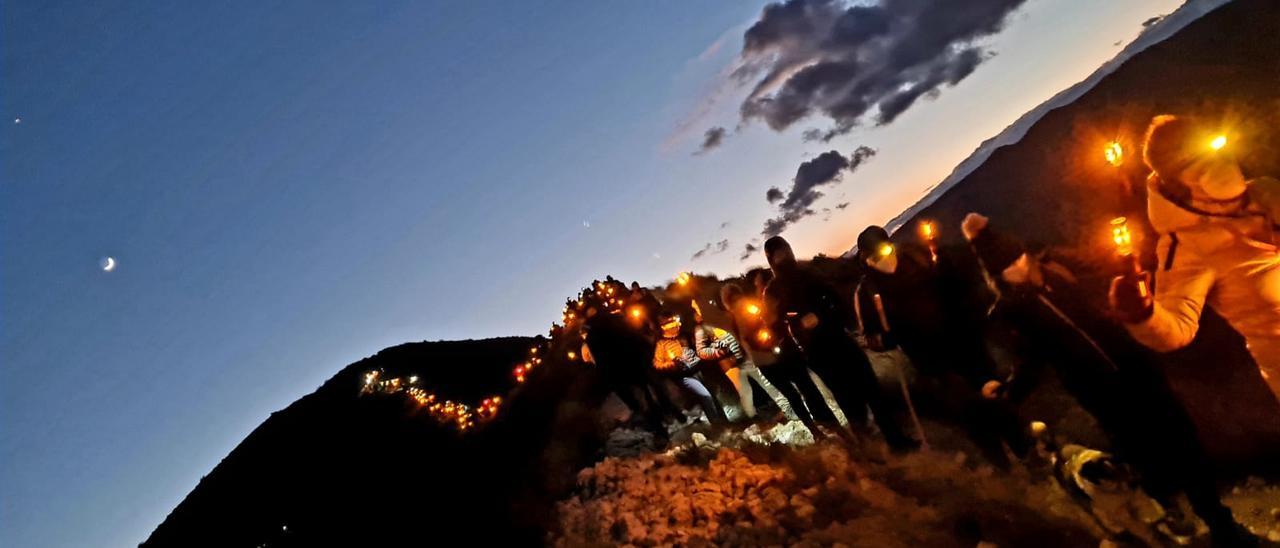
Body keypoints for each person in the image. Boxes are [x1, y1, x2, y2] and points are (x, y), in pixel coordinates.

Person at [965, 212, 1255, 547]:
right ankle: (1168, 510)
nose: (1017, 268)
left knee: (1187, 444)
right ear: (997, 276)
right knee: (1145, 455)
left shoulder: (1057, 273)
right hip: (1102, 394)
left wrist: (1128, 271)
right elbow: (1031, 360)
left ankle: (1222, 525)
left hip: (1139, 371)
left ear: (1025, 253)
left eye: (1018, 258)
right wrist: (1010, 393)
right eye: (1007, 267)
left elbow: (1104, 294)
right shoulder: (1012, 312)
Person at [1111, 114, 1280, 401]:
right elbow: (1176, 329)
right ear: (1174, 183)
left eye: (1207, 149)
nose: (1214, 164)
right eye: (1190, 160)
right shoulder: (1185, 246)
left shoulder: (1266, 191)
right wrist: (1141, 314)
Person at [854, 225, 1029, 468]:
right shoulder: (867, 291)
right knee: (969, 412)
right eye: (876, 253)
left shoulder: (917, 258)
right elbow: (870, 337)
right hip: (932, 362)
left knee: (996, 396)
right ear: (865, 256)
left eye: (886, 247)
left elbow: (951, 288)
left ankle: (1025, 450)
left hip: (965, 342)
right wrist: (891, 337)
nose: (885, 256)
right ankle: (1000, 461)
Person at [761, 236, 916, 450]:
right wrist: (796, 326)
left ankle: (895, 439)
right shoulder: (773, 292)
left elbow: (835, 299)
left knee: (871, 387)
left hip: (839, 338)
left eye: (785, 250)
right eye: (778, 254)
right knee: (848, 398)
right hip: (816, 352)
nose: (784, 256)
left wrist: (823, 315)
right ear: (771, 259)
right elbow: (774, 327)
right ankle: (867, 445)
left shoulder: (808, 273)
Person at [695, 291, 795, 422]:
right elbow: (701, 351)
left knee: (768, 385)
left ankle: (788, 411)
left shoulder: (727, 317)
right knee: (745, 393)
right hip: (731, 364)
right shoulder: (702, 329)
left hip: (748, 358)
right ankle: (754, 419)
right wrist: (718, 351)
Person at [652, 310, 729, 425]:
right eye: (672, 325)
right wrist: (672, 364)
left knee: (713, 395)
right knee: (705, 396)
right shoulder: (661, 344)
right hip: (685, 376)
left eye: (676, 323)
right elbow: (657, 364)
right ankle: (716, 423)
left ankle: (725, 421)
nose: (676, 327)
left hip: (699, 370)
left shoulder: (685, 335)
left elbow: (699, 348)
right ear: (664, 327)